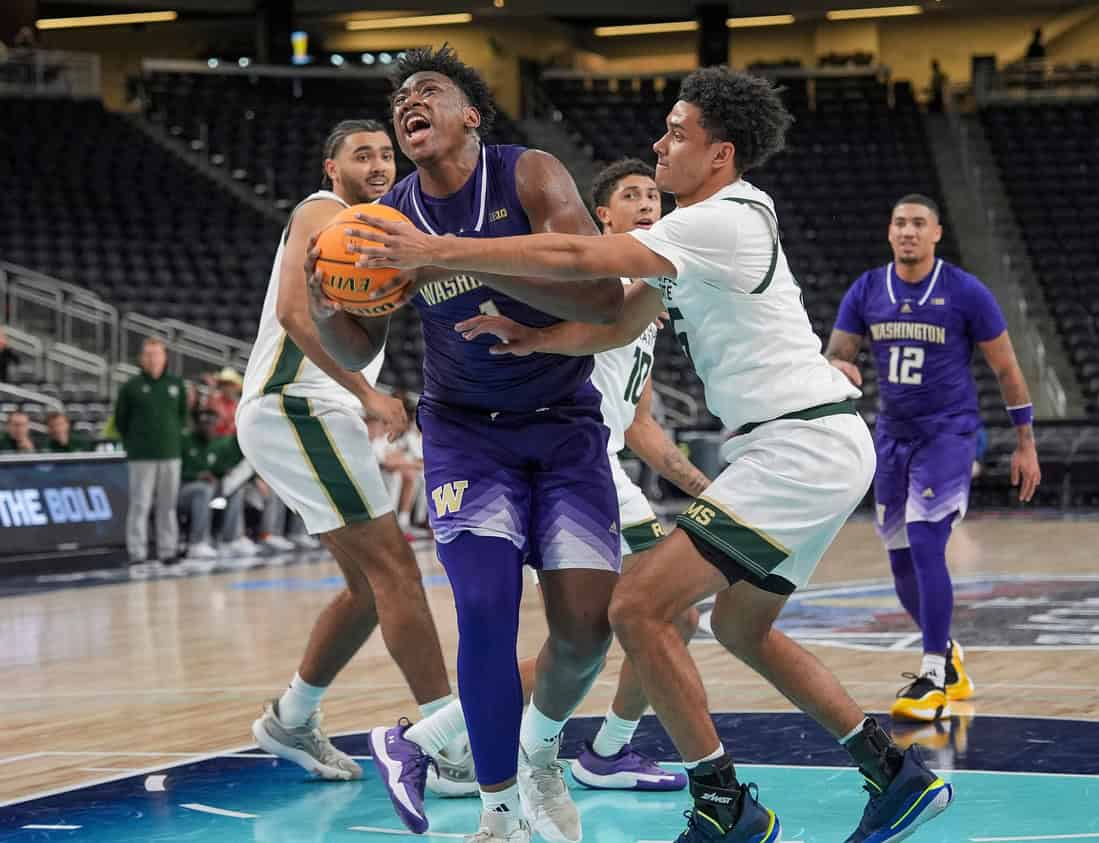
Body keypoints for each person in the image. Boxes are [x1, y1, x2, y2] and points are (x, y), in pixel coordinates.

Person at [352, 66, 955, 843]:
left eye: (676, 133)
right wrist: (539, 336)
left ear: (719, 154)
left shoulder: (724, 219)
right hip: (801, 445)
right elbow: (617, 322)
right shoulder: (702, 228)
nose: (657, 144)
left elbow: (582, 261)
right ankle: (893, 772)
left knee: (635, 605)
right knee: (740, 628)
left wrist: (433, 248)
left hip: (799, 442)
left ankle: (723, 806)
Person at [309, 45, 626, 843]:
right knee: (485, 609)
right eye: (399, 99)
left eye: (428, 90)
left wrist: (444, 256)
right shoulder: (389, 220)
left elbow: (595, 290)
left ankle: (542, 749)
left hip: (563, 428)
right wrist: (325, 305)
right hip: (463, 435)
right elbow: (354, 349)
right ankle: (497, 812)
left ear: (469, 115)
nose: (408, 102)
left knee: (587, 630)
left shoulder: (530, 175)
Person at [416, 158, 710, 793]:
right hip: (564, 456)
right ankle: (444, 736)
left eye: (653, 196)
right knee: (648, 615)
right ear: (601, 216)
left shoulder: (645, 298)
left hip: (602, 460)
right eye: (630, 196)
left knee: (646, 618)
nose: (647, 205)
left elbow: (640, 426)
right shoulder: (587, 285)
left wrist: (705, 488)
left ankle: (600, 748)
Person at [236, 119, 472, 791]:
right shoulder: (322, 210)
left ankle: (291, 716)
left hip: (314, 409)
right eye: (360, 153)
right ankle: (443, 741)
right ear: (330, 166)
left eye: (383, 154)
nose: (376, 163)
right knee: (398, 570)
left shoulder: (377, 230)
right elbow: (289, 311)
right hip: (296, 402)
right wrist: (365, 391)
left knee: (370, 589)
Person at [825, 194, 1041, 722]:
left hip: (947, 434)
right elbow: (838, 352)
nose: (908, 231)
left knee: (926, 541)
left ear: (937, 233)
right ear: (890, 231)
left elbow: (1007, 370)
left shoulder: (965, 292)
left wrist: (1026, 442)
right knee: (899, 560)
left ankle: (931, 676)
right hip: (891, 436)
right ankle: (946, 656)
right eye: (900, 222)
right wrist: (839, 368)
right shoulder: (868, 289)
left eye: (919, 223)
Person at [115, 337, 188, 564]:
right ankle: (137, 552)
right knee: (140, 504)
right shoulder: (131, 387)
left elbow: (182, 417)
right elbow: (120, 421)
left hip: (170, 454)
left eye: (157, 354)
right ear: (141, 359)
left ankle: (168, 550)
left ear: (165, 358)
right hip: (141, 456)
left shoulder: (176, 385)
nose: (153, 359)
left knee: (168, 505)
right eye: (148, 354)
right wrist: (135, 444)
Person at [178, 407, 250, 559]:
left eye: (212, 424)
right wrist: (197, 475)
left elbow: (214, 468)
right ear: (197, 424)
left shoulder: (214, 444)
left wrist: (223, 471)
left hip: (208, 488)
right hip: (183, 489)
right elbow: (176, 472)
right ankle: (197, 543)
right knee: (203, 490)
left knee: (234, 490)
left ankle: (229, 540)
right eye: (205, 423)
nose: (209, 427)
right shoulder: (185, 441)